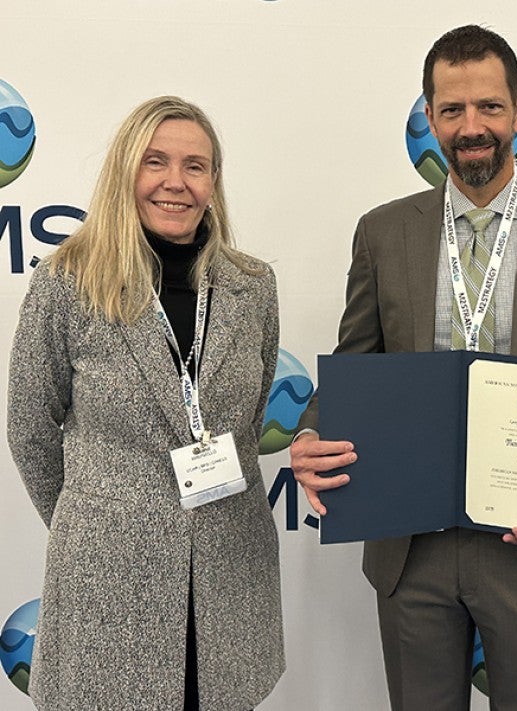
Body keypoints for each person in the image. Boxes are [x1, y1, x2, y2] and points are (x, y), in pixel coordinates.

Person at [290, 24, 517, 711]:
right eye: (452, 110)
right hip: (412, 544)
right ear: (428, 117)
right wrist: (308, 433)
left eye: (488, 106)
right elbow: (358, 362)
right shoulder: (382, 232)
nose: (471, 125)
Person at [7, 96, 284, 710]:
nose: (175, 183)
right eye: (155, 162)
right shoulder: (67, 283)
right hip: (109, 580)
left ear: (214, 182)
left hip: (228, 570)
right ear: (125, 173)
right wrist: (99, 522)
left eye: (196, 166)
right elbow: (29, 426)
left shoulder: (252, 286)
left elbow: (248, 416)